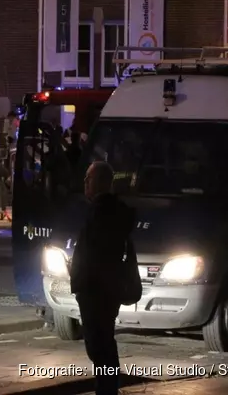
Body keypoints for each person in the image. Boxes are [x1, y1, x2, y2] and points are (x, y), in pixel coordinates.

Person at [68, 161, 135, 395]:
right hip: (101, 290)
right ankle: (107, 387)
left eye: (89, 178)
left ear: (100, 182)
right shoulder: (109, 210)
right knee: (102, 344)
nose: (85, 182)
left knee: (99, 346)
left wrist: (80, 275)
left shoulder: (101, 212)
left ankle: (107, 389)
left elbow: (96, 255)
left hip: (96, 292)